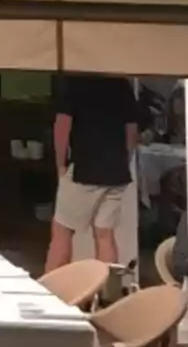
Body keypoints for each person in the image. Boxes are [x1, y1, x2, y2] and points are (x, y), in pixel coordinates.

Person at [46, 74, 138, 273]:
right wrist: (125, 160)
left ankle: (49, 293)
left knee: (62, 232)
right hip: (116, 171)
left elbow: (62, 126)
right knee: (105, 235)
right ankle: (106, 297)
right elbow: (131, 129)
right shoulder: (121, 83)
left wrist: (60, 166)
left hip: (84, 169)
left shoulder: (75, 81)